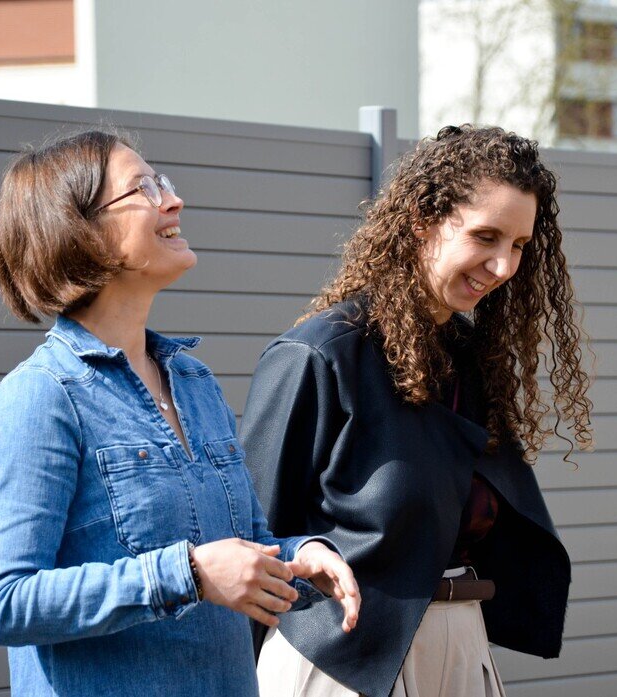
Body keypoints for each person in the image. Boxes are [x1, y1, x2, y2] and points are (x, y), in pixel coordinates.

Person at [0, 130, 359, 697]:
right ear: (79, 230)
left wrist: (300, 556)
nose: (173, 201)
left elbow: (243, 543)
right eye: (142, 189)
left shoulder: (194, 383)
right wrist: (192, 575)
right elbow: (6, 601)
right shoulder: (40, 398)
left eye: (164, 185)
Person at [241, 125, 594, 697]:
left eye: (520, 246)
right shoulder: (319, 356)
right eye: (486, 236)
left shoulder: (472, 360)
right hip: (336, 660)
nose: (504, 266)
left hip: (461, 645)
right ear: (421, 223)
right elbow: (253, 537)